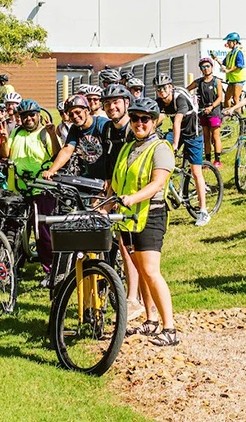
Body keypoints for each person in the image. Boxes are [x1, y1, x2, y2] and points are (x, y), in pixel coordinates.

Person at [106, 97, 179, 347]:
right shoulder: (128, 147)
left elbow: (158, 183)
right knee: (139, 269)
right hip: (128, 218)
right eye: (135, 118)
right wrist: (107, 205)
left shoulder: (160, 148)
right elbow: (116, 181)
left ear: (155, 121)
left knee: (151, 271)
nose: (139, 123)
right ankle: (150, 320)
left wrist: (132, 198)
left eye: (145, 119)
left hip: (151, 214)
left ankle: (169, 328)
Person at [0, 99, 60, 282]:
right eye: (24, 116)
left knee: (43, 232)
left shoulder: (45, 133)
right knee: (13, 230)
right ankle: (13, 267)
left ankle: (51, 270)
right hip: (18, 189)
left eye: (32, 115)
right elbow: (5, 154)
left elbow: (58, 155)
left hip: (42, 189)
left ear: (38, 115)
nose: (28, 119)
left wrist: (53, 135)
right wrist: (3, 140)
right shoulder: (16, 132)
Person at [99, 83, 143, 319]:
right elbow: (109, 162)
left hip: (134, 196)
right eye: (107, 104)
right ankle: (134, 298)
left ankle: (136, 299)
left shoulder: (133, 129)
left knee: (136, 250)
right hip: (116, 193)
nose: (111, 107)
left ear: (126, 103)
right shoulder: (108, 129)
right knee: (125, 248)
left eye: (116, 102)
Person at [153, 74, 210, 226]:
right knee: (161, 150)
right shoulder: (160, 102)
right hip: (175, 131)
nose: (161, 91)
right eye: (158, 89)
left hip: (192, 133)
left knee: (195, 171)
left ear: (170, 87)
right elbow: (157, 118)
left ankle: (203, 211)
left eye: (164, 88)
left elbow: (177, 122)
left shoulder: (180, 99)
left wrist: (175, 145)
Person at [42, 94, 110, 180]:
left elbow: (114, 154)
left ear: (87, 111)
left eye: (78, 112)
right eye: (71, 114)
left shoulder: (102, 124)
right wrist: (51, 171)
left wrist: (110, 178)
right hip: (90, 177)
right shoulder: (75, 128)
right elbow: (67, 151)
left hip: (107, 178)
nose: (75, 117)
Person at [189, 57, 225, 167]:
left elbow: (220, 97)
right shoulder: (198, 82)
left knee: (215, 136)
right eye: (203, 67)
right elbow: (187, 89)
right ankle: (208, 161)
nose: (206, 69)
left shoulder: (216, 81)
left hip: (214, 112)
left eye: (208, 66)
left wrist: (212, 107)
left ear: (212, 67)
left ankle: (217, 160)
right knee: (206, 137)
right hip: (202, 112)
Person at [220, 32, 246, 107]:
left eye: (229, 41)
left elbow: (239, 65)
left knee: (236, 99)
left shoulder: (239, 52)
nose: (227, 43)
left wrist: (228, 71)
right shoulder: (229, 54)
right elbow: (223, 63)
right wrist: (216, 59)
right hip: (232, 80)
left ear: (235, 42)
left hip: (238, 79)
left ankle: (238, 117)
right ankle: (228, 115)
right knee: (227, 98)